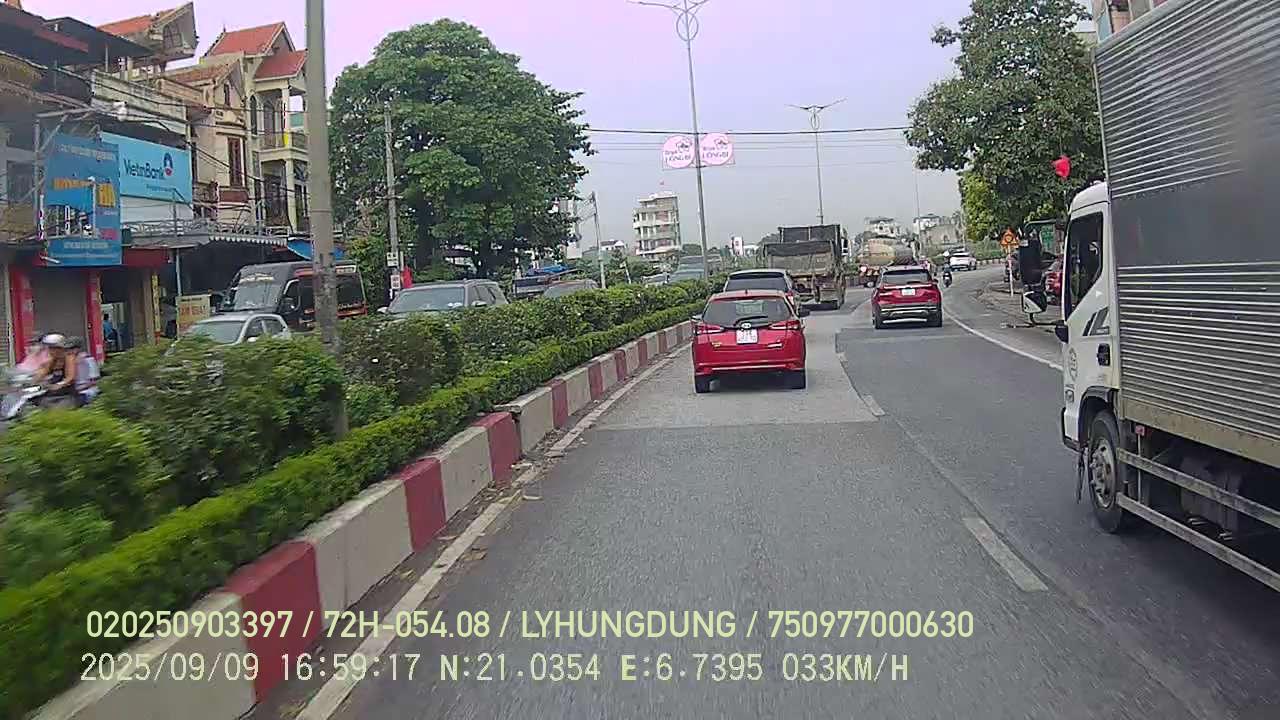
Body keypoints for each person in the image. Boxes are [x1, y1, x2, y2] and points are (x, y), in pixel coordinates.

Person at [32, 333, 77, 406]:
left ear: (60, 348)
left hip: (67, 395)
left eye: (52, 348)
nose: (50, 351)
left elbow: (70, 377)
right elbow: (42, 373)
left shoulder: (69, 358)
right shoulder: (52, 360)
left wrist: (59, 385)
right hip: (53, 393)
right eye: (49, 348)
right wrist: (33, 381)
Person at [67, 337, 100, 406]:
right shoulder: (69, 362)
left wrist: (79, 388)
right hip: (74, 392)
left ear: (78, 348)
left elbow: (95, 381)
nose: (70, 351)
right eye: (68, 349)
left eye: (72, 348)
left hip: (87, 391)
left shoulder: (88, 359)